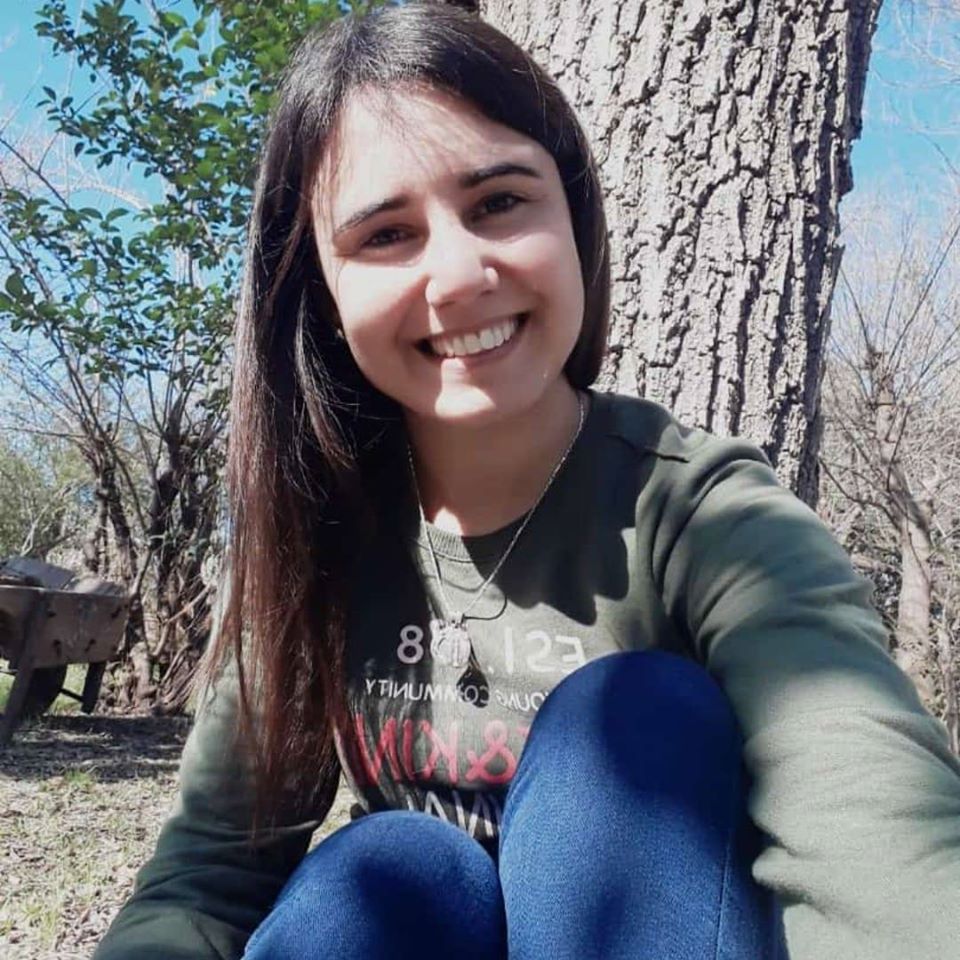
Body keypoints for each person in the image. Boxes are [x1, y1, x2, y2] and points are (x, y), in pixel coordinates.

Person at [94, 4, 960, 960]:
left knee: (631, 719)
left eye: (499, 202)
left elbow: (865, 807)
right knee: (384, 866)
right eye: (386, 234)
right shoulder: (318, 530)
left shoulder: (703, 513)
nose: (459, 275)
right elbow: (210, 874)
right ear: (324, 295)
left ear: (573, 218)